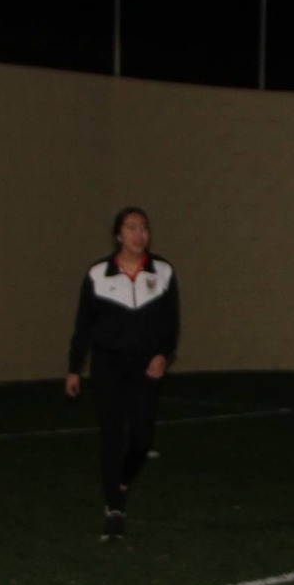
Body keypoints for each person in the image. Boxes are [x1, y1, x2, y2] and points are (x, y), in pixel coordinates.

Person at [65, 207, 179, 541]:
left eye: (144, 227)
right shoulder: (98, 274)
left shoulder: (163, 272)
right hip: (108, 365)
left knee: (142, 439)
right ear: (118, 234)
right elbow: (84, 325)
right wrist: (74, 368)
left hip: (145, 366)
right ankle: (114, 509)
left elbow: (171, 322)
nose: (139, 234)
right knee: (112, 435)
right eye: (131, 227)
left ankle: (123, 481)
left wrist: (163, 354)